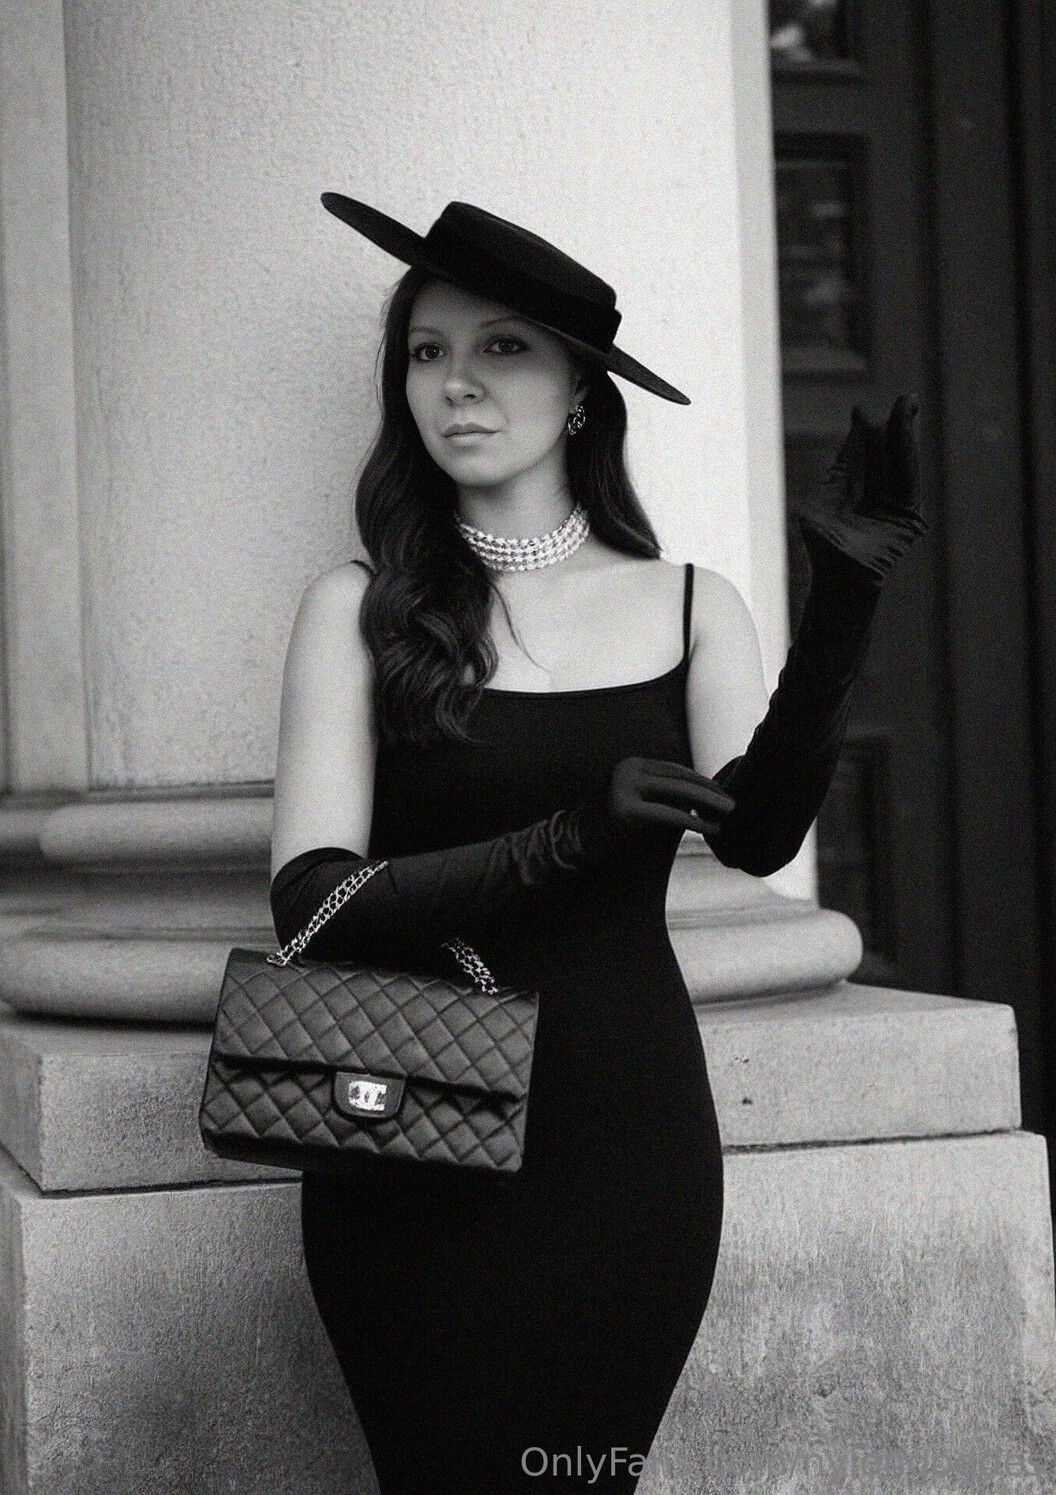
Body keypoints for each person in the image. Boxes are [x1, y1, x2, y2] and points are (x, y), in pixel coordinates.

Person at [268, 194, 927, 1494]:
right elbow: (311, 905)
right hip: (409, 1131)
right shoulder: (358, 607)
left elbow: (761, 838)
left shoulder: (691, 605)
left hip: (625, 1141)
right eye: (426, 351)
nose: (455, 383)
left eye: (502, 348)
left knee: (579, 1480)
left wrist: (844, 605)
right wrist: (570, 836)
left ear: (582, 392)